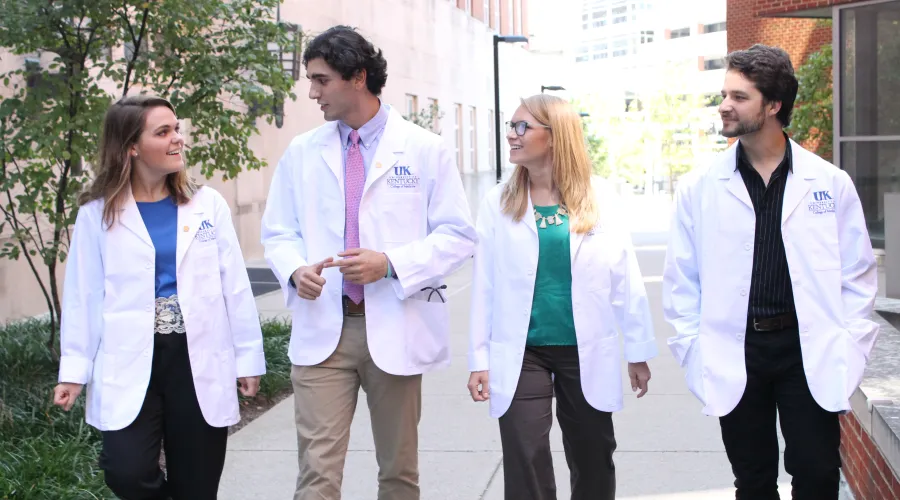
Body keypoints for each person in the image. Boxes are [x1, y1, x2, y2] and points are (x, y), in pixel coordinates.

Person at [260, 25, 476, 500]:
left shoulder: (423, 148)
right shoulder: (302, 152)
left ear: (357, 77)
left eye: (321, 80)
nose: (312, 92)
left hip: (394, 324)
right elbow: (278, 232)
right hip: (324, 332)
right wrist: (296, 270)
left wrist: (391, 263)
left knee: (399, 473)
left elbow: (459, 236)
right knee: (317, 475)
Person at [663, 44, 879, 500]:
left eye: (739, 97)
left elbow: (857, 278)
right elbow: (682, 282)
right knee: (754, 481)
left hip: (806, 349)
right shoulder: (699, 188)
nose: (724, 105)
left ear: (774, 104)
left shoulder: (829, 183)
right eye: (724, 94)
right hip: (736, 347)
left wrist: (850, 346)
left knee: (819, 474)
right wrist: (692, 349)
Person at [52, 95, 266, 499]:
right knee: (126, 471)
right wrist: (73, 371)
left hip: (196, 355)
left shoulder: (207, 205)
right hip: (129, 355)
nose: (177, 139)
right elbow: (83, 296)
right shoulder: (98, 214)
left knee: (197, 483)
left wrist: (248, 358)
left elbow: (234, 287)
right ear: (131, 146)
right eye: (163, 132)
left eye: (177, 129)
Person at [466, 94, 656, 500]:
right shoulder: (498, 201)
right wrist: (479, 359)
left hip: (583, 347)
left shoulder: (600, 197)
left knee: (593, 456)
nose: (511, 135)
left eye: (522, 127)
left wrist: (637, 350)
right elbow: (485, 285)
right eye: (511, 126)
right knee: (525, 456)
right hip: (523, 350)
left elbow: (626, 276)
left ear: (554, 137)